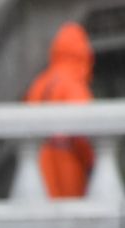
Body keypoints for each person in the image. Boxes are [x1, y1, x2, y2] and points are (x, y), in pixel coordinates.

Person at [24, 22, 96, 200]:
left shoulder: (39, 83)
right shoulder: (74, 86)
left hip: (40, 163)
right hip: (68, 163)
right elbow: (84, 134)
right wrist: (91, 162)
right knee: (69, 212)